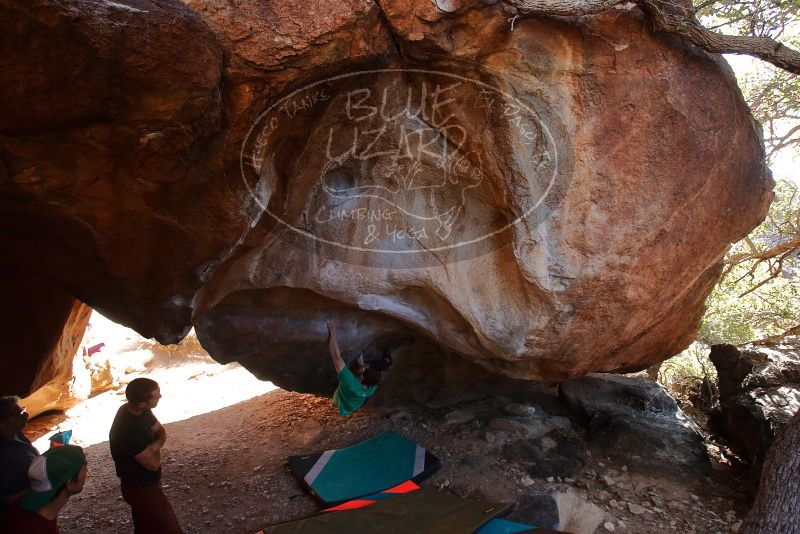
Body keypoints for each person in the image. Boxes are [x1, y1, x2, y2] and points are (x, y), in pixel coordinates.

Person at [109, 378, 183, 534]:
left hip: (145, 483)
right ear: (143, 403)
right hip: (140, 488)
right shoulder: (129, 429)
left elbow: (161, 431)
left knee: (146, 528)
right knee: (170, 528)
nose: (160, 397)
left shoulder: (139, 410)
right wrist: (156, 444)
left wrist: (154, 446)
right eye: (156, 396)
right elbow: (153, 464)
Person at [2, 445, 87, 533]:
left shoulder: (19, 500)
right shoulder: (40, 529)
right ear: (69, 483)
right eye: (84, 467)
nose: (86, 471)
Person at [327, 321, 382, 416]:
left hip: (344, 403)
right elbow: (368, 374)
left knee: (338, 365)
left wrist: (333, 333)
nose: (364, 365)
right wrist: (362, 364)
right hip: (355, 404)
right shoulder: (372, 385)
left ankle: (337, 405)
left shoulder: (350, 382)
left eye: (364, 367)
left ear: (362, 377)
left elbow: (336, 357)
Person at [0, 396, 39, 510]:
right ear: (1, 424)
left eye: (23, 409)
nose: (26, 415)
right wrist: (12, 499)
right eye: (19, 413)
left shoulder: (16, 434)